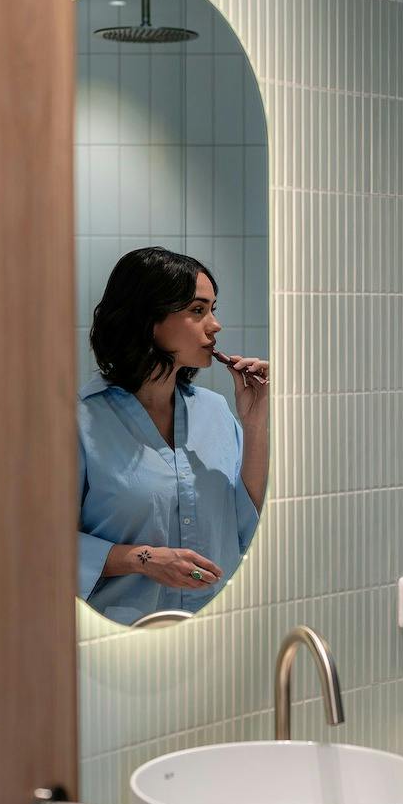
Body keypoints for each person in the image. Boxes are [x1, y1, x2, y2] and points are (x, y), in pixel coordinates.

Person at [77, 247, 268, 624]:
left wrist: (255, 422)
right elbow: (43, 547)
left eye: (213, 309)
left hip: (216, 631)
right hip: (123, 639)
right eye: (198, 311)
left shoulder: (214, 411)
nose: (214, 325)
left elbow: (243, 527)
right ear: (148, 318)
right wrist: (144, 560)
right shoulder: (80, 421)